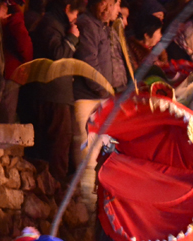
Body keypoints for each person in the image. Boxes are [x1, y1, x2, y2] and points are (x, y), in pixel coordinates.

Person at [28, 0, 86, 182]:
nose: (76, 18)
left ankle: (52, 189)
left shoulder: (56, 24)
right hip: (53, 95)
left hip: (59, 94)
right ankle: (54, 190)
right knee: (57, 146)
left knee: (61, 144)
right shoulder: (50, 24)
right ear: (67, 7)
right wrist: (72, 38)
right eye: (75, 13)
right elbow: (59, 56)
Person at [73, 0, 126, 165]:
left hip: (105, 96)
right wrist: (105, 90)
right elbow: (89, 63)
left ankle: (94, 188)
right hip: (88, 97)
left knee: (102, 150)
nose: (109, 8)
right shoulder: (88, 25)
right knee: (87, 149)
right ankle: (85, 189)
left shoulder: (106, 27)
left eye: (111, 4)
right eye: (104, 3)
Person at [0, 0, 32, 123]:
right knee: (6, 118)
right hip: (10, 71)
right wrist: (28, 63)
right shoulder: (13, 12)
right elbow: (23, 43)